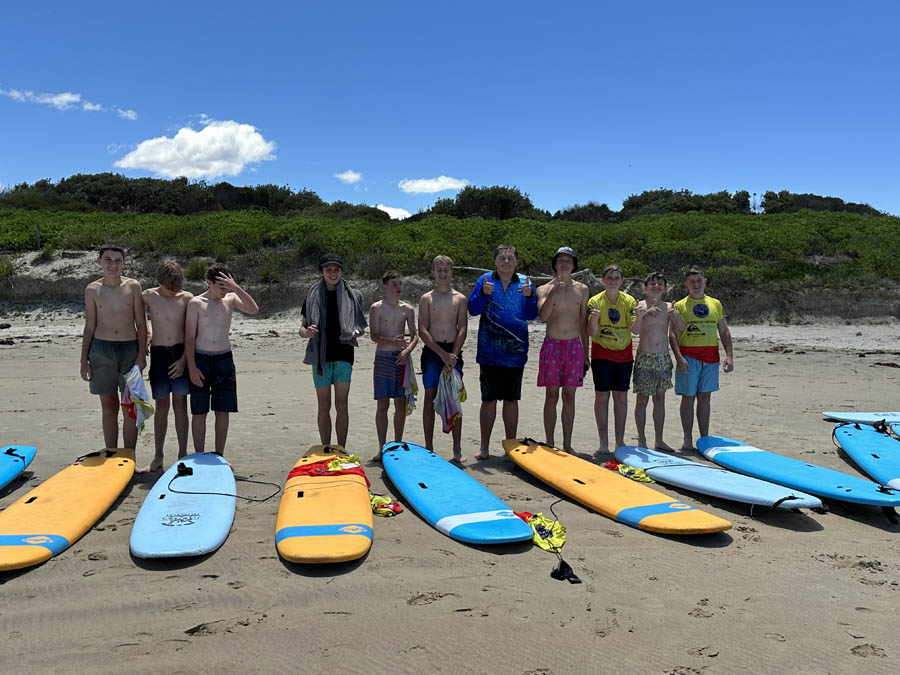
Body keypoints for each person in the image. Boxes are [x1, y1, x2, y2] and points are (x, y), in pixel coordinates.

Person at [467, 244, 538, 460]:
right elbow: (472, 309)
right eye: (502, 258)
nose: (506, 262)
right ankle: (484, 447)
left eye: (510, 258)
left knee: (511, 399)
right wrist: (482, 294)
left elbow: (532, 314)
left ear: (516, 262)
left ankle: (511, 446)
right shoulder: (485, 280)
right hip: (489, 351)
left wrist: (529, 297)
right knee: (488, 399)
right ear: (495, 261)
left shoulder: (525, 282)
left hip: (515, 352)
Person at [185, 263, 259, 455]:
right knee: (199, 410)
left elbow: (253, 309)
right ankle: (199, 454)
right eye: (221, 287)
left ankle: (219, 454)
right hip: (201, 359)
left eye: (228, 286)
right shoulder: (196, 303)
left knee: (222, 409)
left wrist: (235, 288)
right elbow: (189, 337)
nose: (225, 291)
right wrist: (191, 367)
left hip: (223, 358)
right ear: (209, 283)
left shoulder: (231, 298)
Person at [80, 244, 147, 453]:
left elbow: (141, 323)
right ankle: (111, 454)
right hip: (101, 350)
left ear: (124, 263)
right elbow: (89, 326)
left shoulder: (133, 286)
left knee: (130, 407)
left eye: (118, 261)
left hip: (129, 350)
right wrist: (84, 360)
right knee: (109, 406)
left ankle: (128, 457)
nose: (113, 265)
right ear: (99, 261)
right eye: (108, 260)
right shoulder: (92, 289)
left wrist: (141, 355)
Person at [299, 253, 367, 449]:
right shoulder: (312, 295)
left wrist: (356, 332)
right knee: (323, 405)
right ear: (321, 272)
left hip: (344, 355)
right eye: (328, 269)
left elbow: (360, 327)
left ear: (341, 271)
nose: (333, 273)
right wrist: (307, 333)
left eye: (336, 269)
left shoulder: (353, 295)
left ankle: (341, 448)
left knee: (341, 404)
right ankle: (326, 448)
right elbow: (302, 328)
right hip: (320, 357)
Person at [669, 266, 734, 450]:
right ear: (686, 284)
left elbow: (724, 330)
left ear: (704, 282)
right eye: (692, 282)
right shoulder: (680, 305)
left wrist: (729, 355)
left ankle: (704, 438)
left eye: (699, 281)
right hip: (689, 357)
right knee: (688, 398)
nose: (696, 284)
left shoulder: (715, 303)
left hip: (711, 358)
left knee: (705, 398)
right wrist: (679, 358)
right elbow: (672, 334)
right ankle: (687, 439)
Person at [535, 247, 589, 452]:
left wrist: (586, 354)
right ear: (555, 264)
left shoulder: (582, 289)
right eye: (561, 260)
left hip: (574, 347)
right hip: (552, 346)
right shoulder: (544, 289)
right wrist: (554, 293)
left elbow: (583, 323)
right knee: (551, 395)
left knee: (569, 396)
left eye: (568, 260)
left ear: (574, 265)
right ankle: (550, 442)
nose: (564, 263)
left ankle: (567, 444)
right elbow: (543, 317)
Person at [141, 260, 193, 471]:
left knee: (180, 405)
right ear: (159, 281)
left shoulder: (186, 298)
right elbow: (137, 318)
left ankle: (182, 453)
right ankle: (158, 455)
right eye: (168, 288)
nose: (172, 292)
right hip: (159, 354)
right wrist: (147, 334)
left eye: (176, 288)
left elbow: (191, 332)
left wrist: (184, 360)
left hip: (180, 352)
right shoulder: (148, 296)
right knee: (161, 406)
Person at [418, 255, 468, 462]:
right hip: (433, 351)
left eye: (446, 270)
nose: (443, 273)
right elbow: (422, 330)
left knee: (454, 398)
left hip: (453, 351)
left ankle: (457, 448)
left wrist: (452, 355)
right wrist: (442, 354)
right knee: (430, 397)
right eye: (439, 270)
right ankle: (429, 446)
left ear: (452, 272)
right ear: (433, 272)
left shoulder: (460, 299)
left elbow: (462, 328)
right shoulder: (426, 298)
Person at [630, 272, 685, 450]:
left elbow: (681, 328)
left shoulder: (669, 307)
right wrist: (643, 314)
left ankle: (659, 440)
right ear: (645, 287)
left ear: (665, 288)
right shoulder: (639, 305)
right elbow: (634, 331)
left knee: (660, 399)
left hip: (662, 358)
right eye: (652, 283)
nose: (656, 286)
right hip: (644, 357)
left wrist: (675, 316)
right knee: (642, 400)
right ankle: (641, 440)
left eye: (660, 283)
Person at [369, 270, 418, 460]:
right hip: (383, 357)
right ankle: (381, 447)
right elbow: (374, 336)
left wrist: (406, 351)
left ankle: (397, 443)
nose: (398, 287)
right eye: (394, 284)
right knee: (382, 403)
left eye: (400, 284)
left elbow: (415, 335)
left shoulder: (408, 309)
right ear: (385, 286)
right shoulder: (377, 308)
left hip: (401, 358)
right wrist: (392, 341)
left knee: (400, 403)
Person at [587, 264, 636, 454]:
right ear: (603, 280)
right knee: (602, 397)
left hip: (624, 355)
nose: (613, 281)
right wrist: (593, 319)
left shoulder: (629, 301)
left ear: (622, 280)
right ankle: (603, 442)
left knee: (621, 397)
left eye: (617, 278)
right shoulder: (594, 301)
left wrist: (639, 317)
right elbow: (591, 332)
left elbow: (635, 330)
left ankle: (619, 441)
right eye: (609, 277)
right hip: (601, 354)